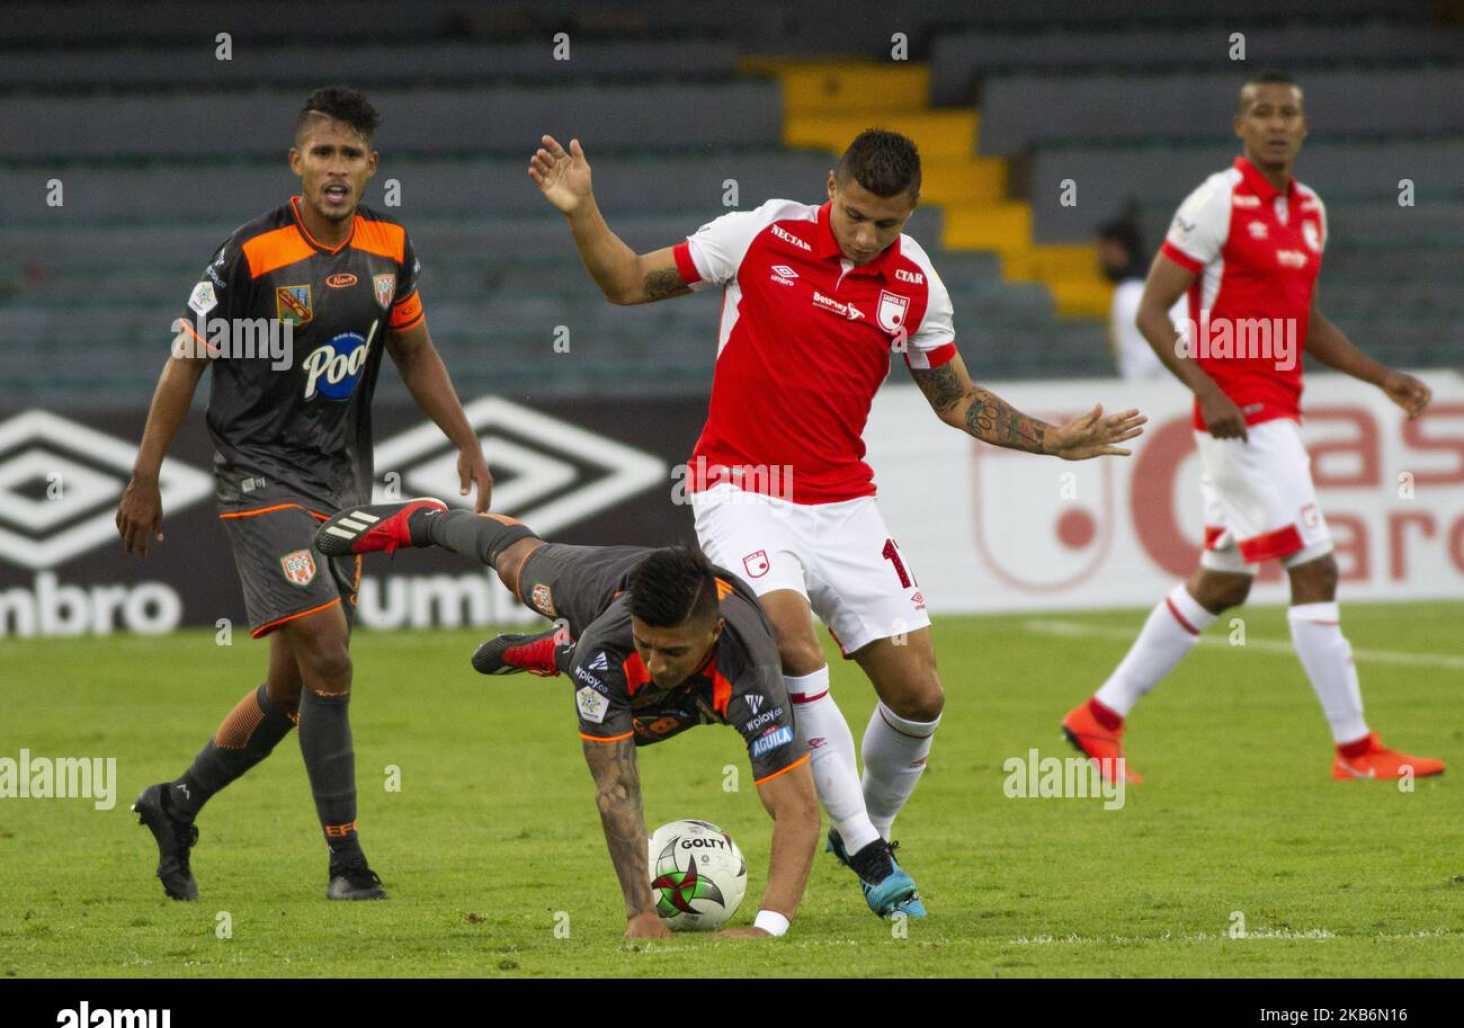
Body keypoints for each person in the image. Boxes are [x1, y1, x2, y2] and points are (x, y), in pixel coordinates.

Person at [528, 127, 1144, 916]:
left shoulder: (917, 283)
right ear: (830, 186)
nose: (865, 235)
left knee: (920, 695)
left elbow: (954, 398)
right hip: (740, 487)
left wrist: (1051, 439)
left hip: (842, 502)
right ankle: (868, 851)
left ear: (911, 212)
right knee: (790, 640)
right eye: (853, 213)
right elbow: (624, 281)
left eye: (886, 224)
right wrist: (582, 210)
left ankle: (864, 828)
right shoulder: (759, 234)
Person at [116, 87, 494, 901]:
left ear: (370, 168)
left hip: (340, 487)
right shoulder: (251, 254)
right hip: (257, 475)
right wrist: (145, 474)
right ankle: (347, 863)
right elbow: (187, 359)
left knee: (293, 693)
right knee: (330, 648)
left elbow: (416, 352)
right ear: (297, 162)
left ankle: (176, 804)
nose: (336, 168)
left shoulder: (392, 249)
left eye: (350, 155)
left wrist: (463, 438)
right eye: (322, 153)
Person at [1062, 71, 1443, 783]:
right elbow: (1152, 312)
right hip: (1242, 420)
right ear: (1241, 126)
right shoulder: (1216, 202)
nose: (1275, 123)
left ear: (1303, 128)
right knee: (1317, 566)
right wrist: (1208, 392)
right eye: (1261, 112)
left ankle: (1099, 718)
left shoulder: (1311, 212)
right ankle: (1356, 749)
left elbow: (1305, 323)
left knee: (1223, 584)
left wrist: (1380, 376)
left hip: (1275, 413)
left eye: (1287, 114)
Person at [313, 499, 821, 939]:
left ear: (712, 633)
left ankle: (559, 653)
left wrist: (767, 927)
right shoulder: (612, 647)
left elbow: (797, 809)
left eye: (673, 651)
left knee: (654, 714)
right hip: (600, 602)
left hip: (694, 678)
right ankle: (424, 520)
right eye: (646, 645)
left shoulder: (752, 667)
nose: (656, 662)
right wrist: (640, 911)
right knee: (515, 563)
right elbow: (617, 787)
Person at [1095, 214, 1182, 381]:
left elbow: (1143, 362)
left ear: (1116, 248)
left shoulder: (1127, 294)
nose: (1100, 259)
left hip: (1148, 391)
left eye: (1103, 251)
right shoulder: (1175, 288)